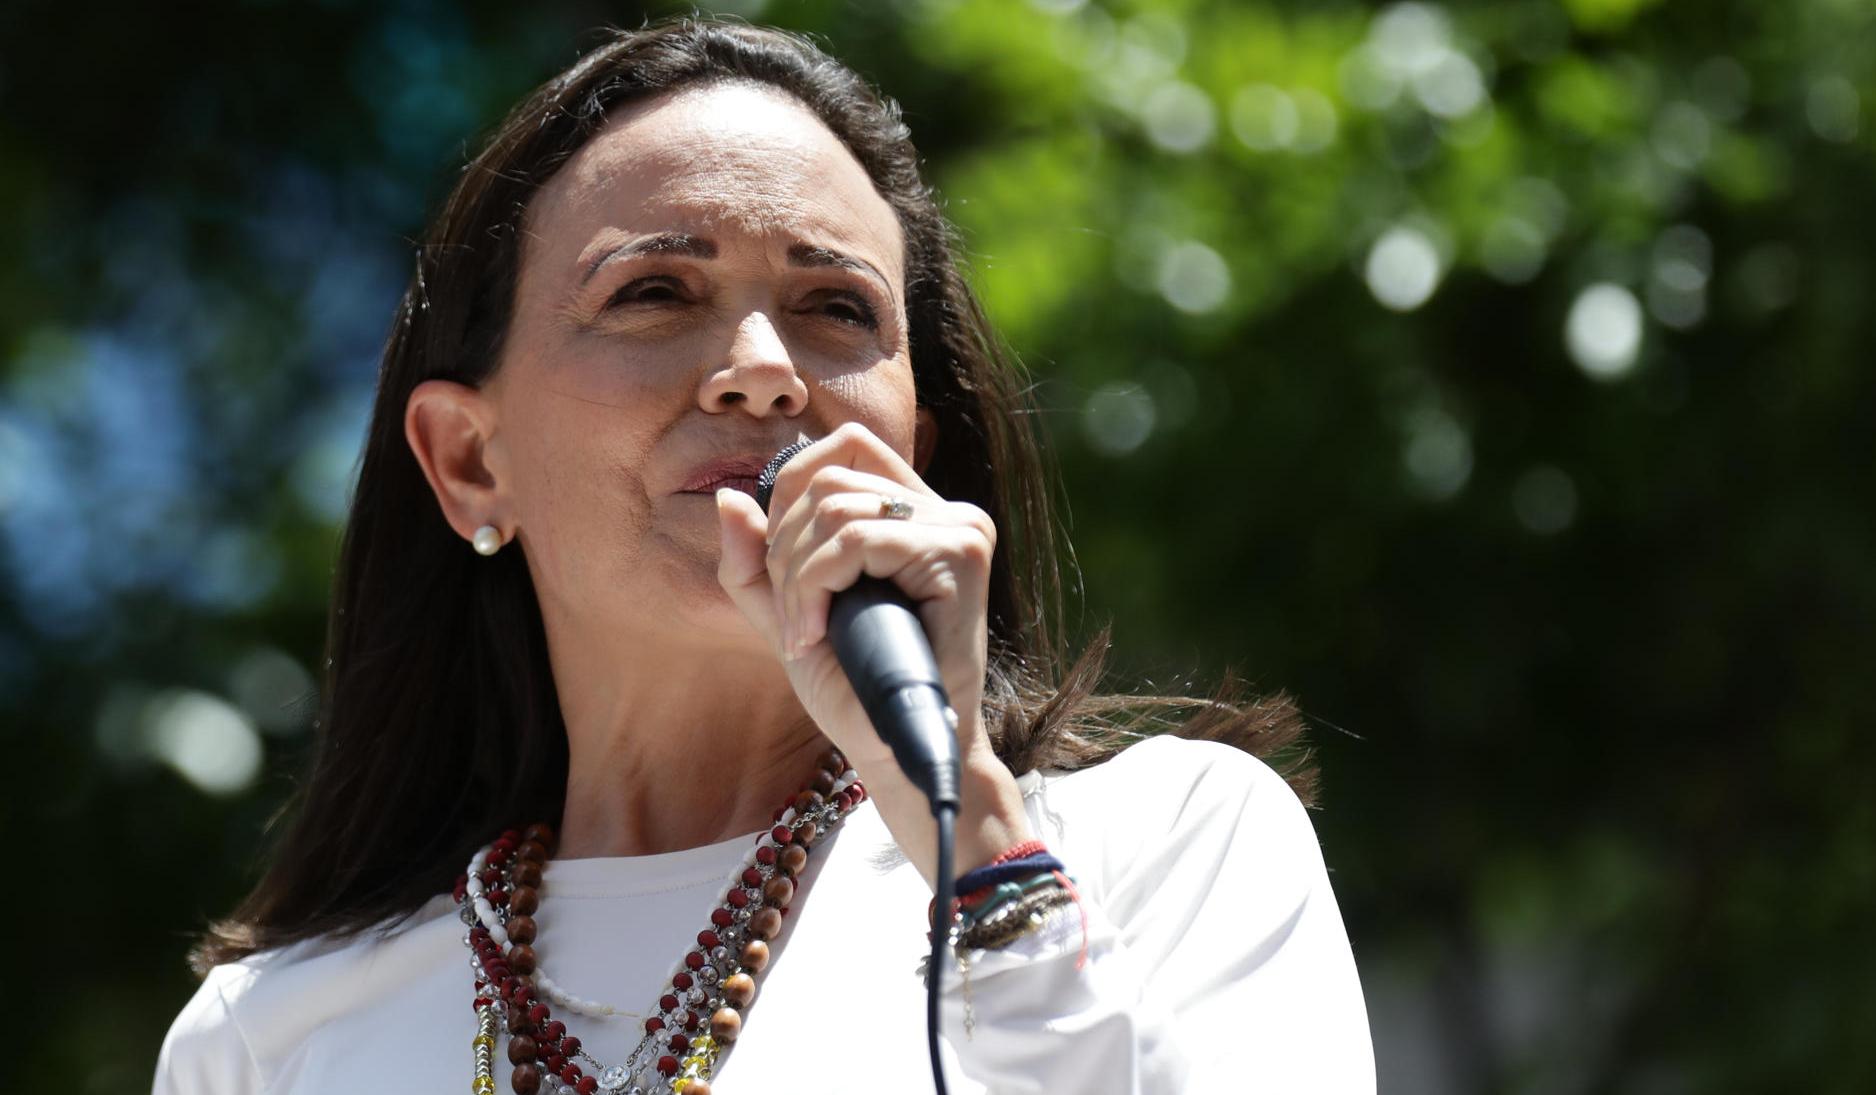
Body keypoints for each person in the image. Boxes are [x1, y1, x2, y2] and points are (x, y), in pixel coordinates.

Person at [153, 17, 1374, 1095]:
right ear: (472, 462)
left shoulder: (1166, 849)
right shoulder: (265, 1042)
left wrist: (976, 837)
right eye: (652, 292)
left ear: (914, 451)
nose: (763, 368)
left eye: (837, 309)